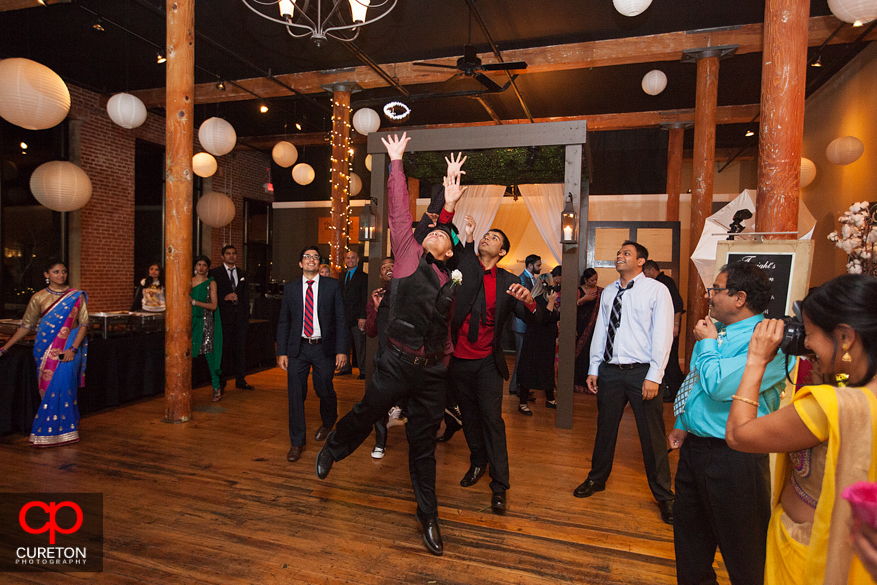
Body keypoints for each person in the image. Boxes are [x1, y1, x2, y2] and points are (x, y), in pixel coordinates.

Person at [315, 134, 466, 556]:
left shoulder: (449, 278)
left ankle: (429, 518)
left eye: (443, 236)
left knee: (422, 448)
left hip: (432, 370)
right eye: (432, 231)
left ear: (449, 251)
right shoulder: (405, 255)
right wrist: (396, 161)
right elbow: (401, 212)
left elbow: (446, 326)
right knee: (366, 411)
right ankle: (334, 449)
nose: (435, 235)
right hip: (397, 363)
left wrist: (451, 207)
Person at [725, 274, 877, 585]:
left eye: (811, 334)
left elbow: (739, 435)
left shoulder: (830, 406)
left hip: (808, 553)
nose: (805, 344)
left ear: (845, 337)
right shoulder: (862, 395)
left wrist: (756, 360)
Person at [668, 262, 787, 584]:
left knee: (745, 556)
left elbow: (720, 387)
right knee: (691, 548)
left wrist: (705, 344)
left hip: (736, 457)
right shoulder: (715, 330)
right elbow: (694, 381)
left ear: (740, 298)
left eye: (716, 290)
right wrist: (682, 421)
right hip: (695, 450)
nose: (709, 296)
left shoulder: (770, 341)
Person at [574, 240, 675, 525]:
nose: (620, 256)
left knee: (651, 436)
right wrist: (594, 367)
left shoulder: (657, 290)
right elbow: (601, 330)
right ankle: (597, 479)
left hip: (641, 372)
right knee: (605, 428)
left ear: (641, 261)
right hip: (610, 371)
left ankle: (665, 496)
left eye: (626, 253)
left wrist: (655, 375)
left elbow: (663, 335)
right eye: (618, 253)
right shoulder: (609, 293)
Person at [448, 214, 539, 512]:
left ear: (502, 252)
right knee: (469, 418)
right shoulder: (464, 270)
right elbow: (461, 260)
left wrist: (529, 301)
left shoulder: (509, 282)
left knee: (492, 420)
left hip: (488, 361)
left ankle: (499, 484)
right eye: (486, 235)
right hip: (458, 360)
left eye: (495, 238)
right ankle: (477, 462)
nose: (488, 238)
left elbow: (533, 320)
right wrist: (470, 236)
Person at [0, 259, 88, 448]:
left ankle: (66, 432)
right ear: (46, 275)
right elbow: (26, 326)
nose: (61, 275)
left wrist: (72, 349)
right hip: (44, 349)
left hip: (69, 348)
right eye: (56, 272)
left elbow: (83, 325)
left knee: (64, 386)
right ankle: (50, 433)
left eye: (63, 271)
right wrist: (5, 347)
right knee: (47, 389)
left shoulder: (76, 296)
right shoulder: (38, 298)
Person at [276, 245, 348, 463]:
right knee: (295, 395)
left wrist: (342, 350)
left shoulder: (332, 286)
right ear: (300, 263)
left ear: (318, 263)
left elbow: (341, 319)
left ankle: (328, 421)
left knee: (323, 387)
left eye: (315, 257)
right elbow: (284, 321)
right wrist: (282, 352)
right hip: (297, 348)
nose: (311, 260)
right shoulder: (290, 289)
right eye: (307, 256)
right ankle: (297, 443)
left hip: (322, 348)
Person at [364, 257, 405, 459]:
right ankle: (380, 443)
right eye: (384, 267)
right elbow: (371, 331)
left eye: (392, 265)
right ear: (380, 275)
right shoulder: (376, 297)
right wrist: (377, 307)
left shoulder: (407, 293)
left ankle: (399, 407)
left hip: (405, 356)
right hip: (384, 356)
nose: (388, 268)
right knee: (377, 401)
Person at [210, 245, 254, 391]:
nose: (231, 256)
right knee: (223, 350)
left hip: (240, 318)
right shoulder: (215, 273)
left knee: (240, 349)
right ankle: (220, 383)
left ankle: (240, 380)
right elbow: (210, 296)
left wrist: (246, 315)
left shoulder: (242, 273)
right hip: (223, 318)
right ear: (222, 256)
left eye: (234, 253)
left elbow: (246, 295)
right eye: (228, 254)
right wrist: (224, 298)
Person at [516, 273, 559, 414]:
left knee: (547, 368)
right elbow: (543, 319)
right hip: (535, 340)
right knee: (529, 368)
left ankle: (550, 399)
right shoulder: (537, 300)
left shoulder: (548, 298)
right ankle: (522, 403)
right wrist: (552, 302)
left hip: (547, 340)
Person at [643, 260, 684, 402]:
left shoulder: (665, 282)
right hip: (666, 326)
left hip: (671, 326)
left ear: (651, 270)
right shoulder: (660, 283)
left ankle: (675, 392)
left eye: (645, 272)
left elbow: (678, 305)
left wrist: (676, 325)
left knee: (670, 359)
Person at [190, 255, 223, 402]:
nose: (201, 267)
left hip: (207, 321)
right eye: (199, 264)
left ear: (208, 268)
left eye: (204, 265)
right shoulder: (189, 281)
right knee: (187, 353)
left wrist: (195, 302)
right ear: (195, 267)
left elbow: (214, 306)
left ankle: (216, 388)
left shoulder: (211, 283)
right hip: (191, 321)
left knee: (209, 354)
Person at [509, 254, 541, 395]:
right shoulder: (521, 279)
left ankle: (522, 386)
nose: (540, 267)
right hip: (521, 323)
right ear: (530, 265)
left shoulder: (532, 278)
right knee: (520, 357)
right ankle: (515, 386)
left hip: (527, 323)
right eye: (538, 265)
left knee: (525, 357)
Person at [339, 249, 368, 379]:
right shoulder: (341, 276)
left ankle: (363, 370)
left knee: (360, 345)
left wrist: (363, 316)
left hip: (357, 317)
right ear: (345, 260)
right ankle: (345, 368)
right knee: (344, 344)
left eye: (353, 258)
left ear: (357, 260)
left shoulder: (363, 276)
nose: (350, 260)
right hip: (344, 317)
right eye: (348, 258)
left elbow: (364, 298)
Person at [574, 268, 602, 394]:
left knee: (592, 354)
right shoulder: (578, 291)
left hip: (595, 328)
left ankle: (592, 382)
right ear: (585, 280)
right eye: (592, 280)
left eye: (596, 279)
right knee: (580, 356)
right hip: (580, 326)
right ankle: (578, 383)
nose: (594, 282)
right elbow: (570, 307)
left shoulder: (601, 291)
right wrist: (584, 299)